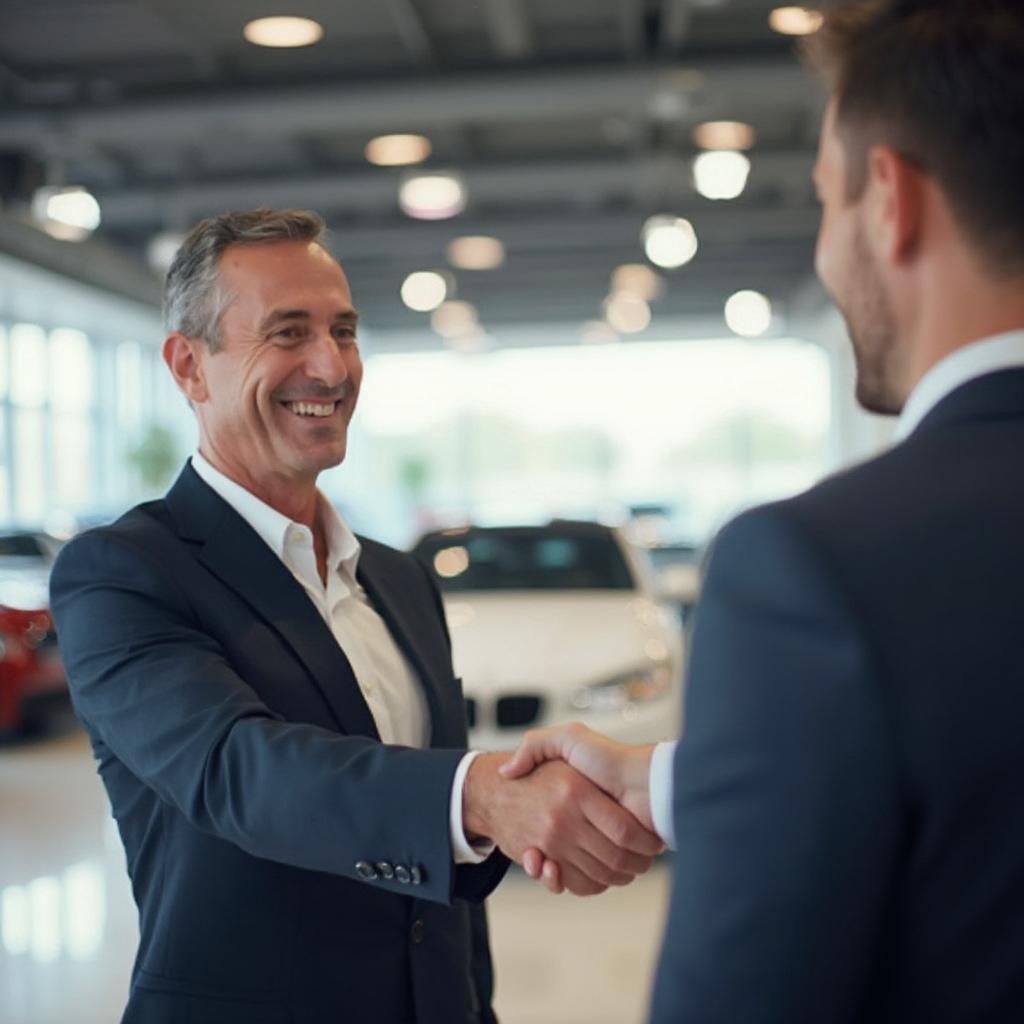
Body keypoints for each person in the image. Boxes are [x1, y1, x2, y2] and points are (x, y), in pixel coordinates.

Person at [503, 0, 1024, 1020]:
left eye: (826, 202)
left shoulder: (817, 566)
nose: (827, 254)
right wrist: (679, 780)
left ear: (889, 201)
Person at [49, 208, 663, 1024]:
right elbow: (239, 769)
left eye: (343, 330)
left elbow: (434, 883)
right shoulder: (124, 572)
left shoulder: (401, 578)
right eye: (289, 333)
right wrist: (481, 794)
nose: (330, 366)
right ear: (190, 366)